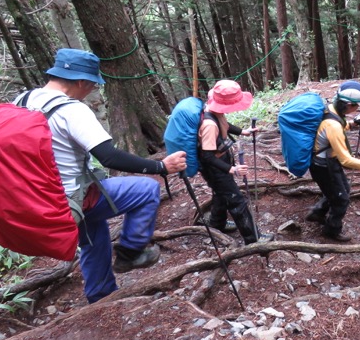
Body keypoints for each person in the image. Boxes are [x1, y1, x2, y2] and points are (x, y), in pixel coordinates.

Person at [15, 48, 187, 303]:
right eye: (92, 86)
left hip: (35, 198)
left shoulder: (21, 101)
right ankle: (130, 253)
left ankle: (100, 294)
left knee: (94, 235)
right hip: (70, 199)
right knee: (146, 190)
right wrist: (161, 167)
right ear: (83, 81)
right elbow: (108, 156)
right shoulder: (71, 109)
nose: (91, 91)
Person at [304, 80, 360, 242]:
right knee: (342, 199)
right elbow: (346, 160)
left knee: (342, 189)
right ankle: (331, 229)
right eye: (357, 106)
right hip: (324, 167)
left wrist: (354, 123)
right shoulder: (333, 125)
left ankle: (318, 212)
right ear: (348, 105)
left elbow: (337, 125)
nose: (358, 109)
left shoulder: (330, 109)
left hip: (326, 163)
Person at [197, 79, 272, 243]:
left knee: (221, 193)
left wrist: (243, 131)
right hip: (214, 166)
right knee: (236, 199)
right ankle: (254, 239)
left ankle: (217, 224)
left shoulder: (213, 109)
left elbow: (224, 123)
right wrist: (231, 169)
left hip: (220, 160)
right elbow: (207, 157)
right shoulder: (209, 125)